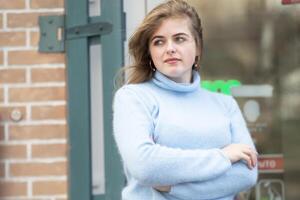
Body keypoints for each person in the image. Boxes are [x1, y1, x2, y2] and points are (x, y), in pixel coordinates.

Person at [113, 0, 258, 199]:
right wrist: (223, 156)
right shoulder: (133, 98)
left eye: (179, 39)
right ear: (150, 53)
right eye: (159, 41)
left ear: (198, 47)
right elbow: (144, 165)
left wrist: (173, 188)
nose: (170, 48)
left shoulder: (225, 104)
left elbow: (246, 174)